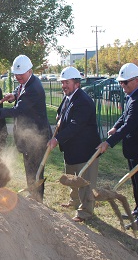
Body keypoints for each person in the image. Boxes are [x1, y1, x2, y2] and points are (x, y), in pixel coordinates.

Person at [97, 63, 138, 229]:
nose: (122, 85)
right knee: (136, 181)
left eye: (125, 82)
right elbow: (124, 117)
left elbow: (129, 125)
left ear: (136, 80)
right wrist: (115, 127)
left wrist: (109, 142)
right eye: (120, 82)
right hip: (133, 149)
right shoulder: (132, 97)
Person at [0, 55, 51, 202]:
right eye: (16, 74)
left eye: (21, 74)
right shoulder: (27, 83)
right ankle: (32, 192)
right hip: (27, 137)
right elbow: (20, 90)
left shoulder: (33, 89)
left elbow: (17, 110)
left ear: (30, 71)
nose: (18, 77)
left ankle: (37, 198)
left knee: (35, 170)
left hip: (36, 137)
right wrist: (14, 95)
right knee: (29, 167)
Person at [48, 66, 100, 222]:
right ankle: (74, 201)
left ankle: (86, 211)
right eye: (62, 82)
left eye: (67, 82)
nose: (64, 85)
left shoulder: (83, 101)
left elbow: (75, 126)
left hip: (85, 149)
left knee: (85, 181)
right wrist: (59, 116)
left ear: (77, 83)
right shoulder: (69, 96)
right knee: (72, 178)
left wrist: (57, 139)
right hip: (71, 148)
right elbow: (61, 112)